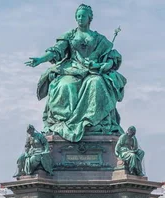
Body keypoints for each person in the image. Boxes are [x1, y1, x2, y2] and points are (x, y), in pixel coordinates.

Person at [25, 4, 126, 142]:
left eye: (83, 16)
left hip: (93, 71)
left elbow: (111, 56)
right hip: (72, 70)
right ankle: (64, 124)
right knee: (64, 86)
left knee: (96, 84)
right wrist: (40, 59)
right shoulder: (70, 35)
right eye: (78, 16)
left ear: (89, 18)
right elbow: (55, 50)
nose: (80, 18)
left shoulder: (99, 38)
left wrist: (105, 64)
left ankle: (91, 123)